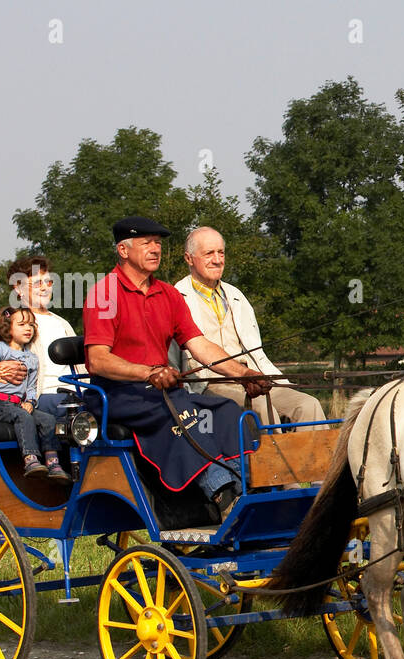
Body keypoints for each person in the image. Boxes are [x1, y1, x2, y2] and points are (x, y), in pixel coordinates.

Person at [82, 216, 272, 521]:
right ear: (123, 249)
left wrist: (243, 373)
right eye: (146, 243)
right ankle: (222, 492)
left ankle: (246, 489)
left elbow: (199, 345)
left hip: (163, 390)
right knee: (179, 411)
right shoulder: (105, 295)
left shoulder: (168, 295)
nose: (155, 249)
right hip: (118, 394)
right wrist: (147, 372)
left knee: (225, 410)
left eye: (158, 243)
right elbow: (98, 360)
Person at [174, 226, 326, 430]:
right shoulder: (176, 297)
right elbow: (174, 359)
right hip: (211, 383)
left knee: (308, 405)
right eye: (209, 253)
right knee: (261, 407)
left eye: (221, 252)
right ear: (189, 258)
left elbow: (256, 349)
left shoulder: (236, 295)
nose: (218, 259)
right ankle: (274, 461)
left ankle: (320, 462)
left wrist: (266, 378)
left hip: (254, 376)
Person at [0, 255, 80, 418]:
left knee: (106, 404)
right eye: (37, 283)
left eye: (48, 282)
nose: (45, 288)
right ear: (18, 288)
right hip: (39, 397)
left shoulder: (62, 323)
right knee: (81, 407)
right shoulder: (10, 320)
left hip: (76, 392)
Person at [0, 307, 72, 482]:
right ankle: (30, 459)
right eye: (21, 324)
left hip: (18, 404)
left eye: (31, 324)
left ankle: (53, 462)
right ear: (8, 328)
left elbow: (31, 386)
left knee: (48, 420)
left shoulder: (31, 358)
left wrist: (31, 401)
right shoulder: (0, 349)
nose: (28, 328)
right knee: (24, 417)